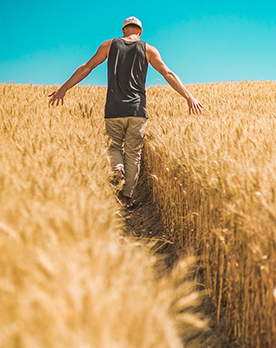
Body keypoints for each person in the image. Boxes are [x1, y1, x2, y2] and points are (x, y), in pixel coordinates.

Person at [49, 16, 203, 208]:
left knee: (114, 147)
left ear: (123, 31)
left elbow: (86, 67)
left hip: (114, 108)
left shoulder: (108, 45)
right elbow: (168, 74)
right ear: (140, 32)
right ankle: (126, 197)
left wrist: (63, 88)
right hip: (137, 110)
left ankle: (117, 167)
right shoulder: (149, 49)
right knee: (133, 154)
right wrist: (189, 97)